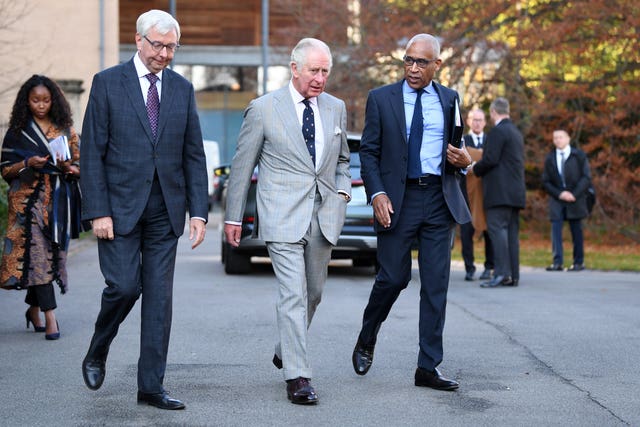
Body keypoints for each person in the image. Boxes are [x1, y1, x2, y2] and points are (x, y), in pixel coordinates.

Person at [80, 10, 208, 410]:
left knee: (158, 301)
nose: (165, 54)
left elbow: (193, 155)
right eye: (158, 45)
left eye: (172, 47)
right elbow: (91, 154)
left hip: (165, 210)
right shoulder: (107, 84)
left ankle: (151, 386)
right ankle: (98, 348)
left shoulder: (182, 89)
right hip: (117, 210)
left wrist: (199, 212)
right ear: (138, 41)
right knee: (123, 287)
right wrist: (98, 210)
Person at [224, 38, 350, 405]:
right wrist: (233, 216)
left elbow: (342, 161)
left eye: (326, 71)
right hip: (281, 214)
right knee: (292, 294)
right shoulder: (263, 109)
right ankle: (298, 376)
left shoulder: (336, 108)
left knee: (314, 293)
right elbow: (242, 165)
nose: (320, 78)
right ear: (294, 68)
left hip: (324, 214)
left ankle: (286, 347)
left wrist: (343, 193)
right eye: (314, 70)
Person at [352, 33, 472, 391]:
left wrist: (465, 162)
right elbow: (369, 153)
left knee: (436, 285)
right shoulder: (381, 98)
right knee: (393, 278)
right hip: (397, 199)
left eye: (422, 62)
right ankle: (368, 335)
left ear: (437, 65)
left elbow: (457, 147)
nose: (413, 68)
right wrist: (377, 193)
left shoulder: (450, 99)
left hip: (439, 198)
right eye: (408, 60)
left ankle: (427, 367)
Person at [1, 74, 83, 341]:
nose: (41, 105)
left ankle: (33, 309)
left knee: (47, 256)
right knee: (37, 255)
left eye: (46, 100)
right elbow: (5, 169)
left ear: (54, 101)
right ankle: (50, 318)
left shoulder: (65, 129)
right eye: (35, 100)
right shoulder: (17, 132)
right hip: (26, 204)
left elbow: (81, 163)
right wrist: (27, 164)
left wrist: (70, 168)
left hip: (58, 203)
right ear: (27, 101)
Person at [471, 97, 526, 288]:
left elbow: (491, 159)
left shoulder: (497, 132)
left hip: (498, 193)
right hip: (515, 193)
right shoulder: (516, 133)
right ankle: (512, 275)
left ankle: (501, 273)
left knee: (497, 231)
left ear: (493, 112)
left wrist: (474, 168)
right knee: (511, 234)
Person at [542, 129, 591, 272]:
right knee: (556, 229)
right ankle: (557, 262)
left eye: (561, 137)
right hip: (557, 198)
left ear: (568, 139)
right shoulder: (550, 158)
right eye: (555, 137)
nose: (558, 140)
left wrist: (573, 194)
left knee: (576, 230)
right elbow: (546, 181)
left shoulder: (579, 156)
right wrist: (560, 194)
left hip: (576, 198)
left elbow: (586, 177)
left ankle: (578, 262)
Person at [460, 108, 494, 281]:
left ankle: (489, 267)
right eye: (474, 119)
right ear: (468, 122)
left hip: (487, 192)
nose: (477, 123)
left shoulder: (491, 141)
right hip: (467, 193)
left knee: (489, 231)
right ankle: (469, 267)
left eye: (480, 120)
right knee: (466, 230)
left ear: (485, 122)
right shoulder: (462, 141)